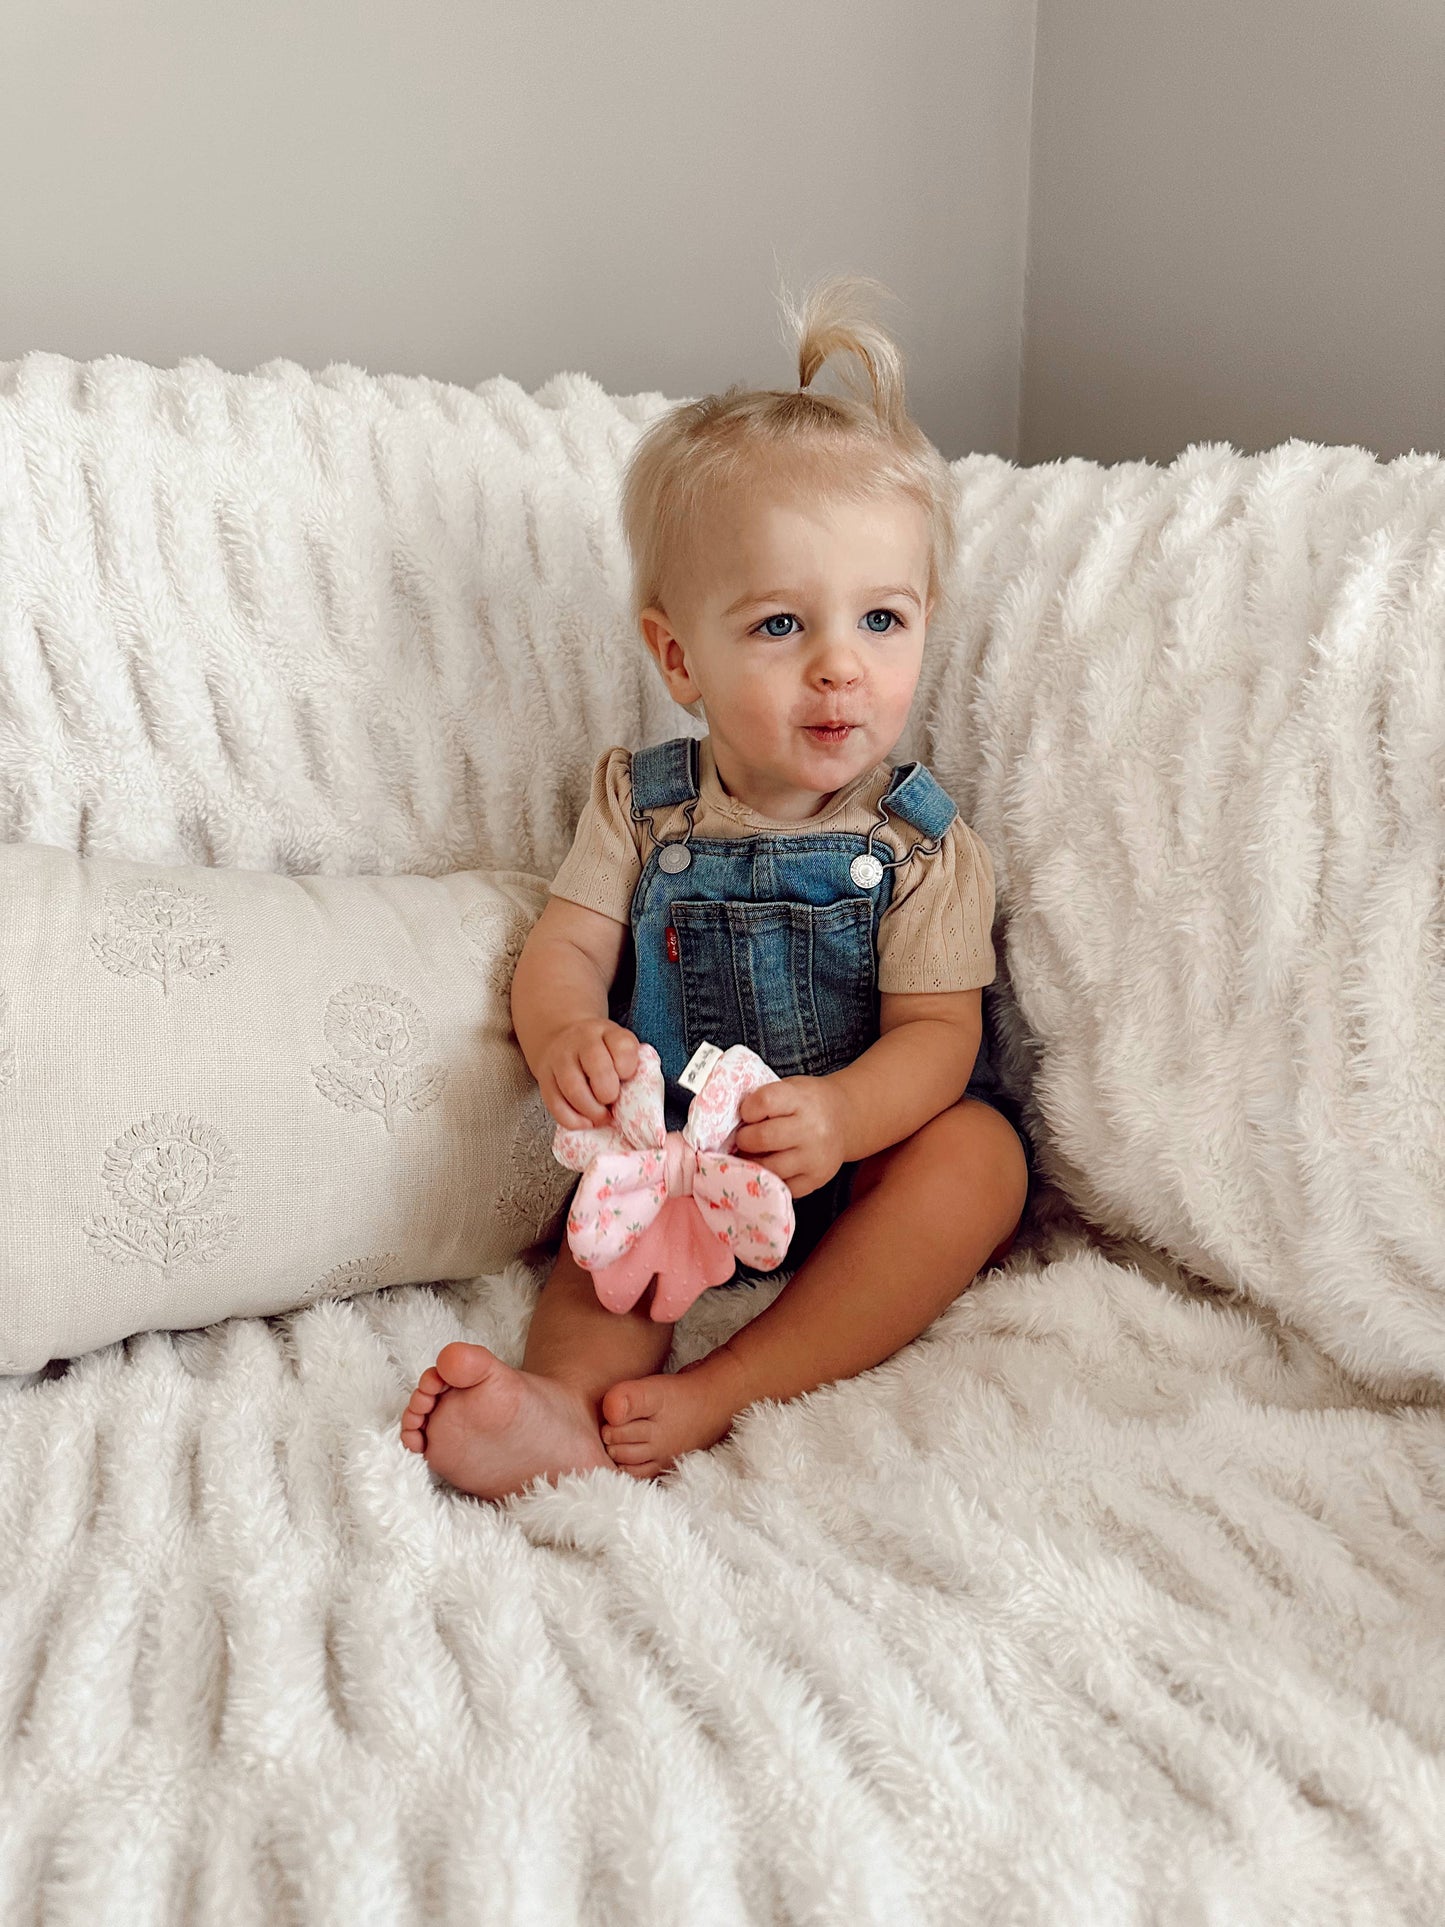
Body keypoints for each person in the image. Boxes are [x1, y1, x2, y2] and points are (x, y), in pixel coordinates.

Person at [400, 271, 1032, 1499]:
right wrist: (564, 1029)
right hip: (675, 1160)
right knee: (604, 1242)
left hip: (856, 1164)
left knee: (980, 1160)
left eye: (883, 620)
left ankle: (723, 1387)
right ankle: (562, 1407)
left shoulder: (921, 845)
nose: (840, 669)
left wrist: (844, 1117)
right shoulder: (640, 808)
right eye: (781, 628)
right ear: (678, 654)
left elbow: (939, 1036)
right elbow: (567, 949)